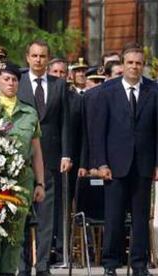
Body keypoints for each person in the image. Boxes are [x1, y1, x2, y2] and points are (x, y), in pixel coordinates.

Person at [94, 43, 158, 276]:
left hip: (143, 165)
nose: (134, 67)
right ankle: (111, 264)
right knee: (114, 218)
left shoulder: (154, 90)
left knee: (141, 219)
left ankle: (140, 265)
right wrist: (101, 163)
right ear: (123, 64)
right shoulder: (107, 90)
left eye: (138, 63)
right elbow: (98, 130)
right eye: (130, 62)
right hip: (114, 165)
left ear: (143, 65)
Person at [0, 63, 45, 276]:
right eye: (6, 79)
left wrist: (40, 183)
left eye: (14, 80)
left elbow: (36, 151)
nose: (10, 83)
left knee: (15, 234)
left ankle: (9, 272)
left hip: (21, 180)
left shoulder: (29, 112)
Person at [17, 39, 71, 276]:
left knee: (47, 216)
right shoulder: (17, 82)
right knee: (20, 215)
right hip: (21, 159)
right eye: (35, 56)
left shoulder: (59, 85)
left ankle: (42, 266)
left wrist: (66, 153)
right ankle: (21, 265)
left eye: (43, 56)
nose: (38, 60)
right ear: (27, 57)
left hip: (50, 158)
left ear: (48, 59)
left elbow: (65, 123)